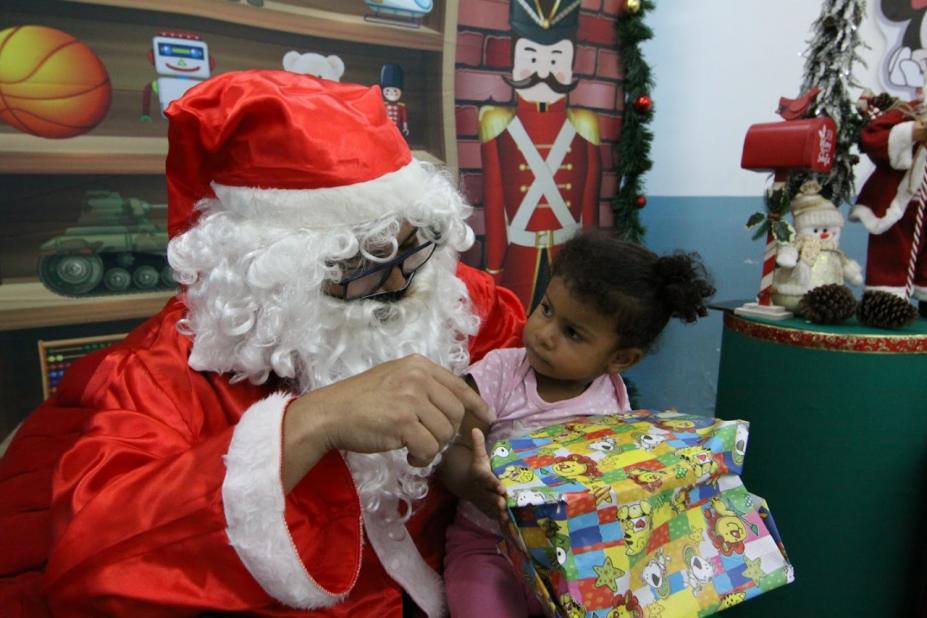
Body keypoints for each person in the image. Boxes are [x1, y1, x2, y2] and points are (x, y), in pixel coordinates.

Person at [0, 70, 526, 617]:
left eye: (415, 245)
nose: (397, 285)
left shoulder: (443, 291)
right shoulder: (161, 371)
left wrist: (479, 463)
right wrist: (310, 423)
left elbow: (537, 386)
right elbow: (97, 567)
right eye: (360, 265)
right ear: (268, 276)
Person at [438, 230, 715, 617]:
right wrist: (475, 484)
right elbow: (456, 447)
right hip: (488, 545)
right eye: (547, 308)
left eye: (572, 333)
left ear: (619, 359)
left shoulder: (613, 402)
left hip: (570, 559)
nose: (545, 334)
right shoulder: (500, 372)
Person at [479, 0, 601, 311]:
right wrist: (495, 269)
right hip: (519, 255)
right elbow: (495, 206)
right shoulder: (497, 121)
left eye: (556, 57)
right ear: (516, 58)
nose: (543, 69)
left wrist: (589, 266)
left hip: (568, 255)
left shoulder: (584, 124)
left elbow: (588, 207)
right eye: (531, 56)